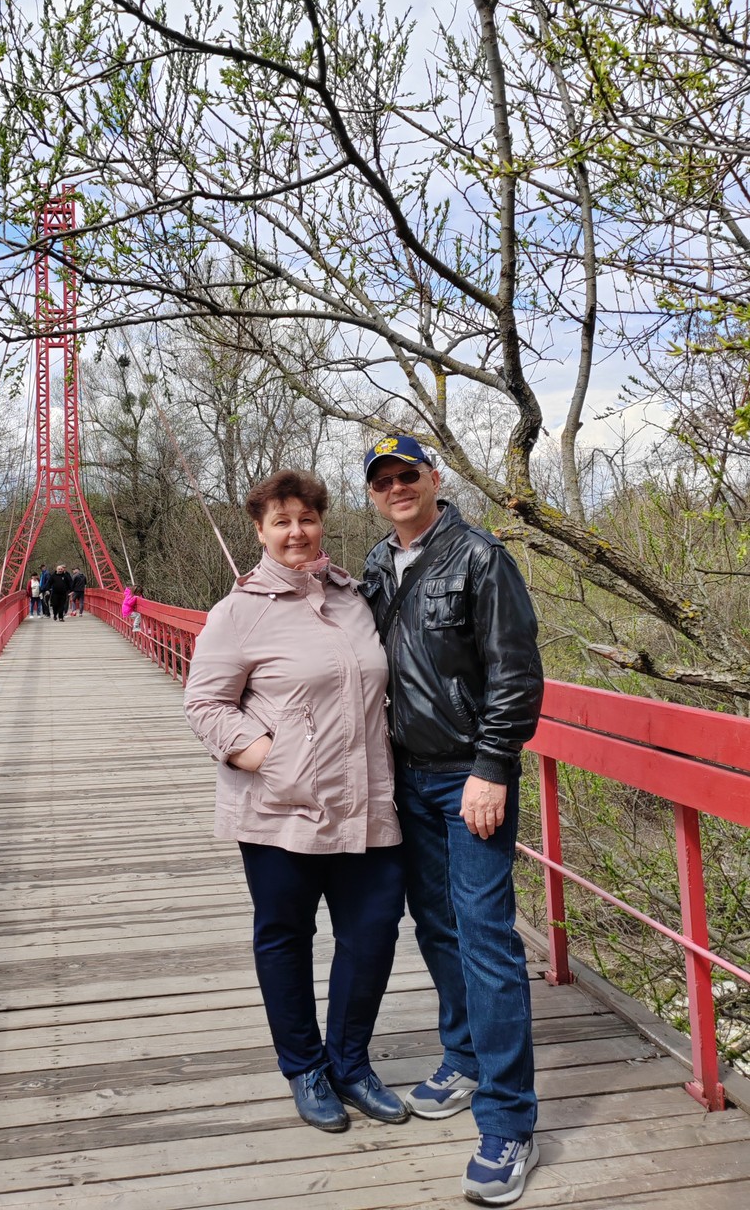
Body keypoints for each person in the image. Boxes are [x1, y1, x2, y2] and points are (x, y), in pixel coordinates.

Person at [185, 470, 408, 1134]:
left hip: (367, 802)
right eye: (280, 522)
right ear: (259, 531)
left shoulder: (356, 599)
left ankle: (351, 1063)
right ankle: (305, 1068)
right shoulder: (239, 611)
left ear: (321, 524)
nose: (295, 532)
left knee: (370, 937)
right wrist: (268, 757)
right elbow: (204, 704)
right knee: (285, 938)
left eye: (306, 519)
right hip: (280, 808)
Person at [360, 434, 544, 1207]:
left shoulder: (479, 558)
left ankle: (509, 1122)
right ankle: (463, 1056)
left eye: (410, 474)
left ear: (435, 478)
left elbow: (516, 671)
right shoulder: (375, 565)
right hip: (404, 777)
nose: (399, 488)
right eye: (384, 481)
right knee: (434, 926)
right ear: (372, 494)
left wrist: (493, 765)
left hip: (468, 780)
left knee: (487, 937)